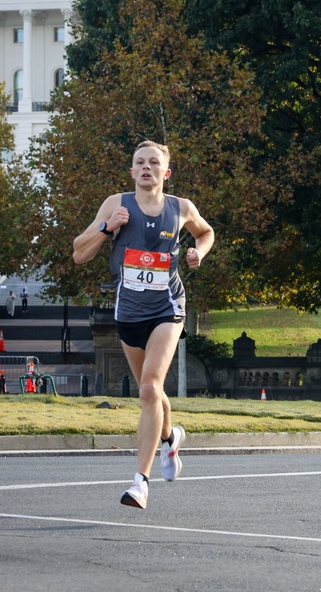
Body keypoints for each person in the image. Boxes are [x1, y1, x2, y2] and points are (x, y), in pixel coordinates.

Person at [72, 140, 214, 509]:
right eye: (140, 163)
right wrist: (106, 228)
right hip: (129, 314)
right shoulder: (116, 204)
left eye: (154, 162)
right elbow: (78, 253)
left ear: (165, 173)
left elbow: (205, 231)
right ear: (132, 172)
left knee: (150, 389)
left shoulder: (181, 207)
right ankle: (170, 439)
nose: (147, 167)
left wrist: (200, 251)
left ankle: (140, 482)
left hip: (168, 308)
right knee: (152, 392)